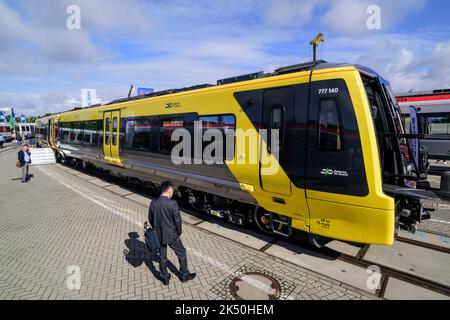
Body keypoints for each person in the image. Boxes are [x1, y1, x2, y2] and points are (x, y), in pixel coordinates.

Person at [149, 181, 196, 286]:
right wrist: (179, 232)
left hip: (158, 235)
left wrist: (157, 229)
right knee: (182, 253)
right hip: (172, 235)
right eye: (172, 192)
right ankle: (184, 275)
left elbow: (151, 219)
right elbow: (178, 221)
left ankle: (164, 277)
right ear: (169, 191)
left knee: (162, 256)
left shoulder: (153, 203)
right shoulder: (172, 203)